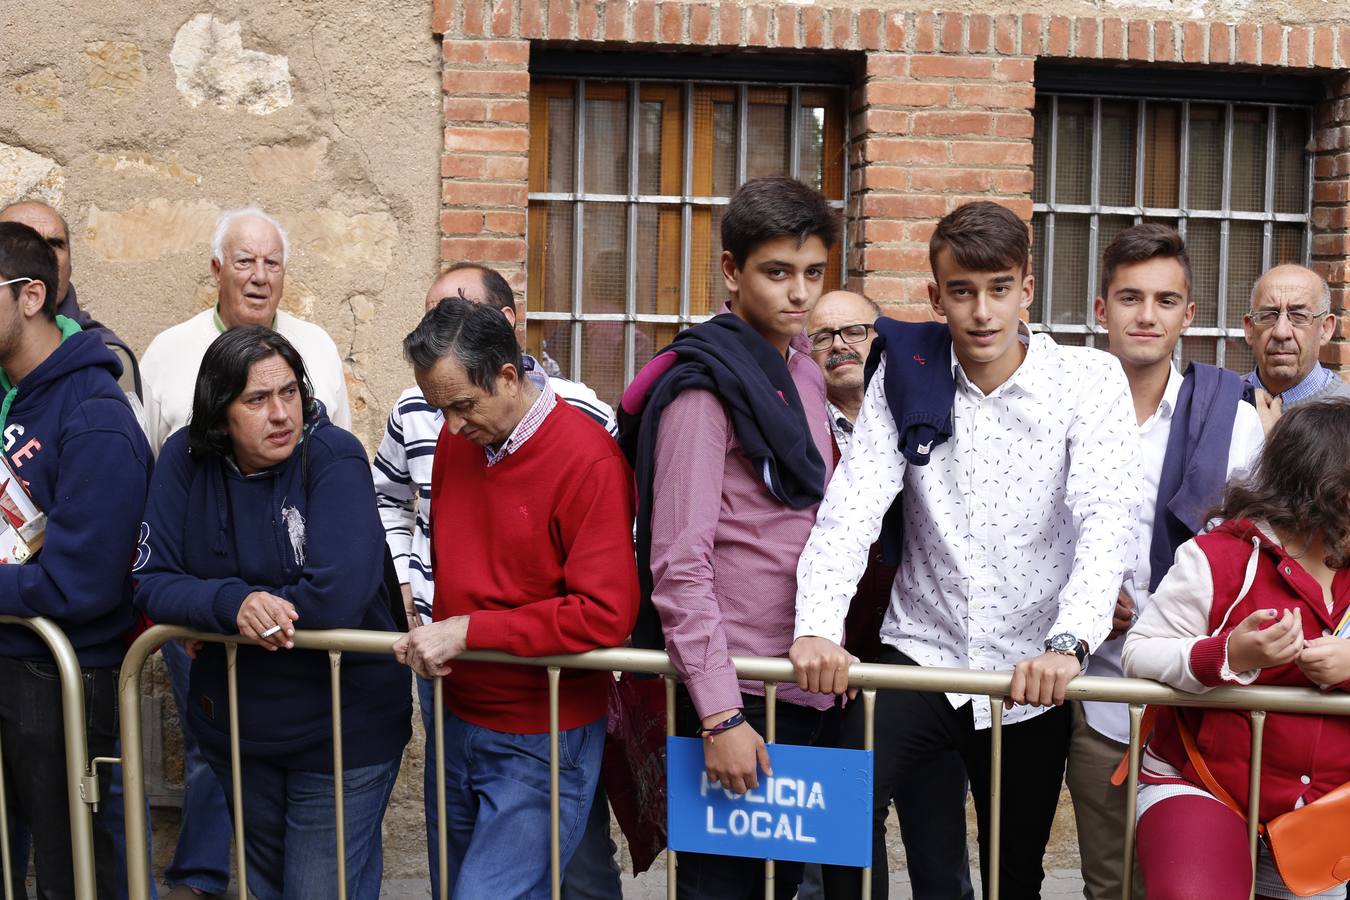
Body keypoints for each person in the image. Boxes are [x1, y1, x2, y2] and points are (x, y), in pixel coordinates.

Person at [792, 201, 1140, 899]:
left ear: (1028, 289)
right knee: (836, 814)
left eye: (999, 289)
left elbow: (1106, 519)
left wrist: (1067, 645)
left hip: (1029, 680)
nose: (982, 311)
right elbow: (850, 511)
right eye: (962, 291)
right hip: (920, 656)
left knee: (1014, 877)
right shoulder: (906, 373)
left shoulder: (1089, 382)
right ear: (935, 295)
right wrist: (815, 629)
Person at [370, 262, 621, 899]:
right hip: (458, 716)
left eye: (460, 406)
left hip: (545, 730)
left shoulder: (588, 459)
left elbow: (603, 614)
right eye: (437, 408)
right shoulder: (463, 438)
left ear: (509, 375)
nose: (448, 427)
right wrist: (434, 627)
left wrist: (467, 630)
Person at [618, 175, 838, 899]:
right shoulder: (704, 392)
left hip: (807, 682)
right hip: (736, 689)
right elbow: (680, 562)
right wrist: (720, 716)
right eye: (777, 273)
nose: (798, 294)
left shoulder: (804, 372)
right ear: (731, 271)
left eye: (813, 274)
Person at [133, 326, 411, 900]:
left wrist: (226, 616)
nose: (281, 413)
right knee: (264, 887)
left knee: (317, 889)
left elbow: (337, 593)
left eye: (290, 392)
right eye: (257, 400)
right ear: (220, 414)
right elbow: (152, 579)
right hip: (240, 728)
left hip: (343, 729)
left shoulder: (331, 453)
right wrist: (230, 604)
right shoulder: (186, 458)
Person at [139, 207, 352, 900]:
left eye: (272, 263)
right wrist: (224, 605)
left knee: (307, 844)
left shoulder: (316, 347)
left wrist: (274, 609)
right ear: (217, 271)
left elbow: (333, 477)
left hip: (305, 631)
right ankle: (200, 877)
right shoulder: (168, 353)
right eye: (244, 261)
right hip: (202, 603)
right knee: (213, 742)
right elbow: (157, 489)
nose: (280, 413)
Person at [1067, 224, 1265, 899]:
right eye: (1129, 297)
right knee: (1108, 884)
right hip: (1098, 693)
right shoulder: (1063, 407)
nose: (1146, 316)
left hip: (1201, 706)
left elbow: (1258, 551)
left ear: (1189, 314)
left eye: (1164, 299)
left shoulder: (1229, 419)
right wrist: (1082, 598)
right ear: (1100, 310)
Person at [1122, 398, 1350, 900]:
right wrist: (1231, 655)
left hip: (1328, 809)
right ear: (1321, 488)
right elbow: (1138, 653)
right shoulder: (1218, 556)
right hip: (1203, 787)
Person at [797, 290, 975, 900]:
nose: (840, 345)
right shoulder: (795, 433)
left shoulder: (925, 415)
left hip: (920, 667)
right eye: (822, 336)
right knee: (839, 851)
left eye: (855, 330)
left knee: (939, 847)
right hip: (829, 675)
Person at [0, 199, 153, 899]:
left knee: (74, 877)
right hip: (13, 662)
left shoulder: (96, 416)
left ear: (31, 297)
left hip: (60, 681)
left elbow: (81, 587)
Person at [0, 200, 142, 400]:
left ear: (70, 265)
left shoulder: (106, 358)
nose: (42, 255)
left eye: (54, 244)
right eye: (20, 243)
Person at [1243, 264, 1350, 433]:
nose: (1281, 332)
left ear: (1325, 329)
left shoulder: (1344, 412)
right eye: (1269, 315)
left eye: (1299, 316)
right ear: (1249, 329)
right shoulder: (1221, 404)